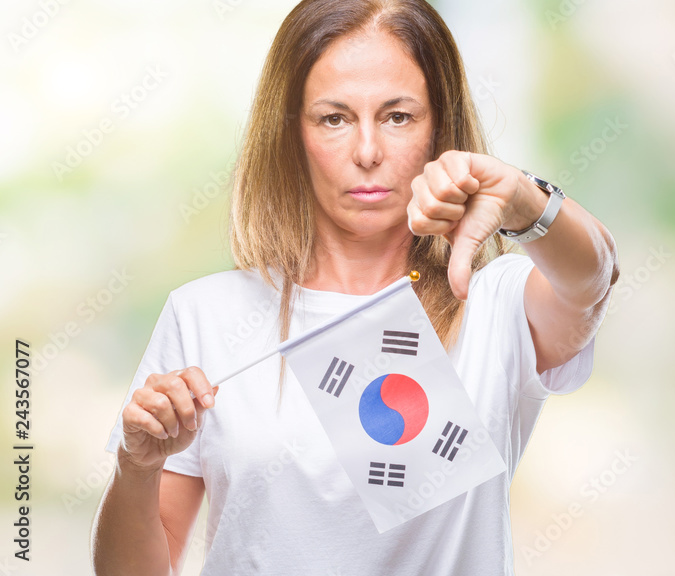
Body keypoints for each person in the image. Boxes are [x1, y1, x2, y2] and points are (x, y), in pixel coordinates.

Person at [91, 0, 618, 574]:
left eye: (398, 117)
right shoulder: (207, 315)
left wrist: (521, 197)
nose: (368, 152)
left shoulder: (494, 303)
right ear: (292, 133)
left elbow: (594, 277)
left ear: (438, 129)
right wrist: (136, 467)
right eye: (334, 119)